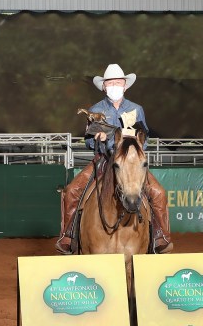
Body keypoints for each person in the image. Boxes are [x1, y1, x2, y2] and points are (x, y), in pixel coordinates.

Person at [55, 63, 172, 254]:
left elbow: (146, 139)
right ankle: (68, 235)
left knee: (158, 193)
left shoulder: (136, 109)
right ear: (104, 86)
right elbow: (88, 142)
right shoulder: (96, 110)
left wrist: (136, 144)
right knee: (72, 191)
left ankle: (160, 236)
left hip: (131, 162)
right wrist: (97, 139)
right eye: (110, 83)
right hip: (103, 159)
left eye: (118, 82)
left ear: (125, 86)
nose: (114, 86)